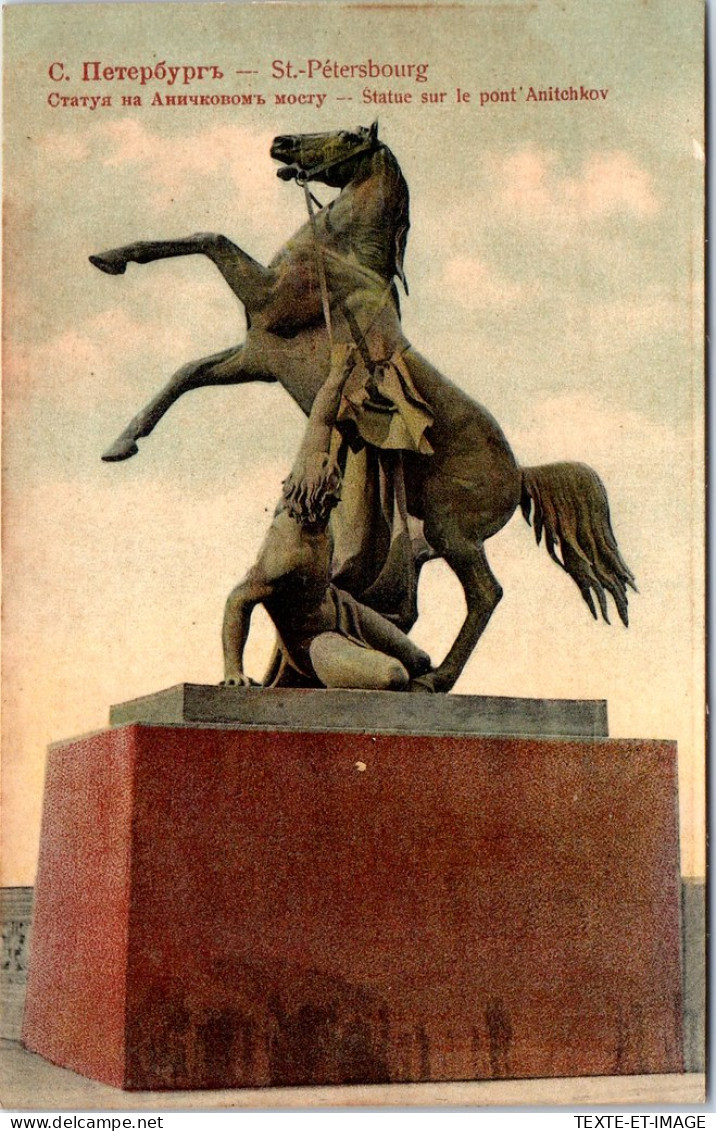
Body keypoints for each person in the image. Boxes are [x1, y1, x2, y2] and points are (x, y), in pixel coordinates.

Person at [221, 392, 433, 691]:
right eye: (334, 493)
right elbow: (238, 600)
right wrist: (234, 670)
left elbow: (320, 421)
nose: (338, 497)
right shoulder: (285, 554)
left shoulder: (310, 498)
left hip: (343, 608)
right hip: (317, 644)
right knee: (392, 676)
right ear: (318, 498)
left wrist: (339, 370)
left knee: (421, 661)